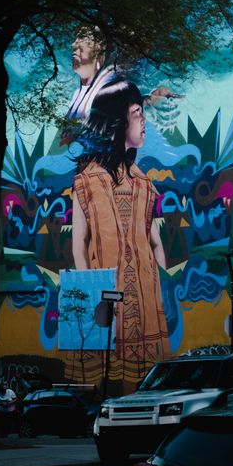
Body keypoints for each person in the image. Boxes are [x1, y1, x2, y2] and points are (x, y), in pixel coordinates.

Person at [71, 78, 170, 379]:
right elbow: (79, 244)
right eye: (139, 113)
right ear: (117, 121)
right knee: (105, 381)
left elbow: (155, 243)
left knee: (144, 384)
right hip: (105, 300)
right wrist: (91, 299)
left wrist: (160, 289)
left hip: (145, 301)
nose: (144, 122)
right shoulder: (87, 181)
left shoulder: (143, 182)